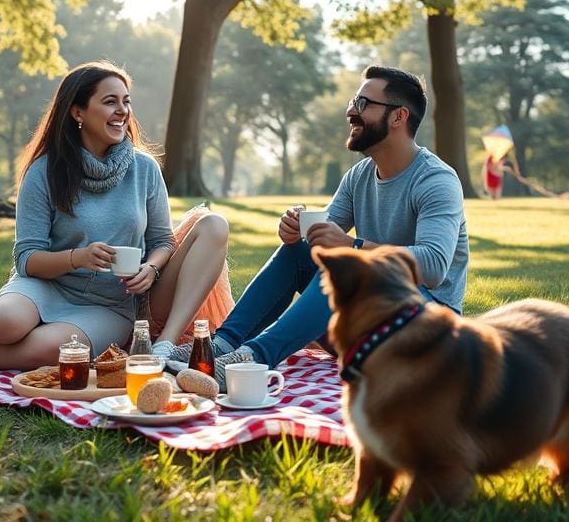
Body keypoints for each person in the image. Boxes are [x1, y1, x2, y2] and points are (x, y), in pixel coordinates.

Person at [0, 61, 231, 368]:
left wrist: (152, 267)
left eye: (126, 101)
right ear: (77, 112)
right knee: (4, 325)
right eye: (110, 101)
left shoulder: (144, 169)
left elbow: (162, 241)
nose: (123, 111)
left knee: (48, 353)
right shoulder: (43, 171)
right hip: (44, 285)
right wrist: (77, 258)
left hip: (110, 305)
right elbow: (27, 258)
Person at [172, 65, 470, 390]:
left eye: (363, 103)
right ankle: (222, 347)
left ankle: (252, 361)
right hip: (366, 322)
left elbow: (434, 266)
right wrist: (296, 229)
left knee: (346, 267)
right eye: (354, 101)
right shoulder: (359, 176)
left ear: (398, 117)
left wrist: (352, 248)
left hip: (426, 333)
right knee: (300, 252)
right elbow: (324, 237)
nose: (350, 111)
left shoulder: (436, 180)